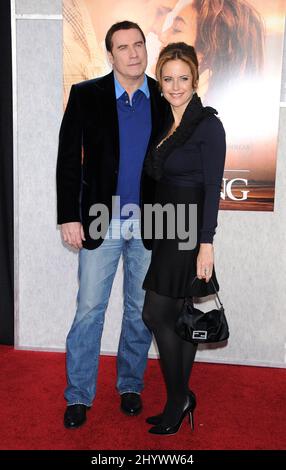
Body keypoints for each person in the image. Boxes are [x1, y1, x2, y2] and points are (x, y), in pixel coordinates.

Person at [56, 20, 166, 429]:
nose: (134, 53)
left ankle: (130, 385)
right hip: (102, 222)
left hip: (151, 223)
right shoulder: (87, 96)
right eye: (123, 47)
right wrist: (69, 215)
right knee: (89, 310)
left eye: (139, 44)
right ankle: (79, 395)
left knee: (140, 311)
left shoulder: (164, 94)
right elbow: (69, 159)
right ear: (111, 54)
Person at [142, 42, 226, 435]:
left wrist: (205, 244)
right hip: (165, 228)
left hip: (188, 232)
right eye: (168, 78)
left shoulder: (208, 124)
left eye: (183, 78)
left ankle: (179, 398)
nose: (176, 86)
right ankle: (180, 398)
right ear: (160, 82)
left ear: (195, 80)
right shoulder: (166, 125)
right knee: (174, 317)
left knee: (155, 313)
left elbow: (212, 187)